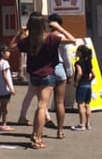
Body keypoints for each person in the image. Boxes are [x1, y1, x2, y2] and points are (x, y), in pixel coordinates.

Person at [13, 12, 76, 150]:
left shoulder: (28, 41)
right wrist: (59, 28)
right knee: (43, 106)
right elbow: (72, 40)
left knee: (39, 106)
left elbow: (11, 47)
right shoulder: (50, 38)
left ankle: (36, 134)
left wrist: (19, 33)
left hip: (34, 75)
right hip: (47, 74)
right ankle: (38, 138)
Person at [47, 13, 72, 139]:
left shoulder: (46, 37)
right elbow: (67, 55)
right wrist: (70, 72)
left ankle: (39, 130)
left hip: (47, 68)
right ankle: (60, 130)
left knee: (43, 102)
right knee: (60, 102)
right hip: (60, 67)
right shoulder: (61, 37)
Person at [0, 44, 16, 130]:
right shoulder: (5, 63)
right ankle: (4, 124)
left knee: (1, 106)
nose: (9, 53)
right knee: (5, 107)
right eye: (7, 51)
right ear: (2, 53)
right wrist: (11, 88)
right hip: (5, 89)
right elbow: (5, 76)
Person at [71, 45, 95, 131]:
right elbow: (94, 74)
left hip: (81, 85)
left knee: (80, 104)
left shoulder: (78, 63)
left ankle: (81, 124)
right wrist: (90, 80)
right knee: (87, 104)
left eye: (77, 51)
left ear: (80, 53)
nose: (76, 52)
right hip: (88, 84)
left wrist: (76, 82)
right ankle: (88, 123)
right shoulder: (89, 62)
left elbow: (79, 73)